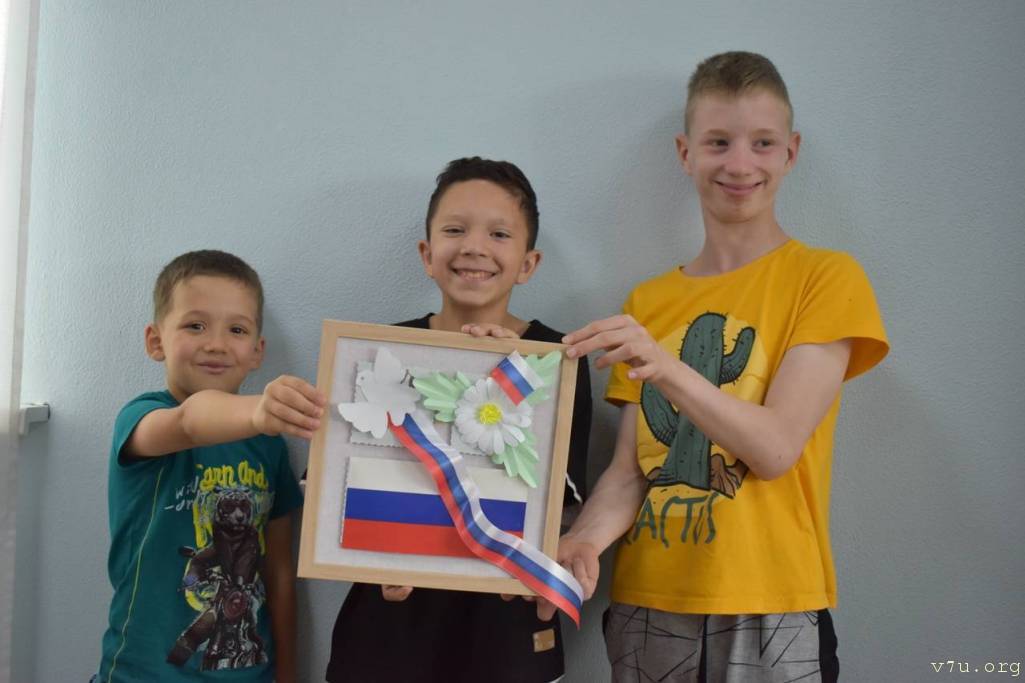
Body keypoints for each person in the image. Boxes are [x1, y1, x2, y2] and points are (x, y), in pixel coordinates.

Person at [554, 52, 890, 682]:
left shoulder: (825, 277)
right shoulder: (648, 303)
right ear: (686, 154)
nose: (739, 164)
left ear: (791, 152)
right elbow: (629, 474)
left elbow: (776, 447)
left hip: (774, 602)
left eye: (762, 143)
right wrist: (584, 542)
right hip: (647, 603)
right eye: (718, 142)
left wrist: (665, 366)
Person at [325, 157, 592, 683]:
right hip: (390, 626)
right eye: (454, 230)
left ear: (528, 263)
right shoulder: (378, 355)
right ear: (427, 255)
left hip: (505, 627)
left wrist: (512, 376)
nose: (474, 246)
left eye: (499, 233)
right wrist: (371, 561)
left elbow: (560, 504)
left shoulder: (555, 363)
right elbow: (338, 489)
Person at [95, 249, 326, 683]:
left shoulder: (268, 444)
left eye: (236, 329)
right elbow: (189, 421)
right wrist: (260, 410)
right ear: (156, 341)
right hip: (143, 675)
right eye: (195, 325)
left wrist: (288, 673)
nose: (216, 344)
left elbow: (279, 571)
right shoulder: (142, 418)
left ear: (257, 351)